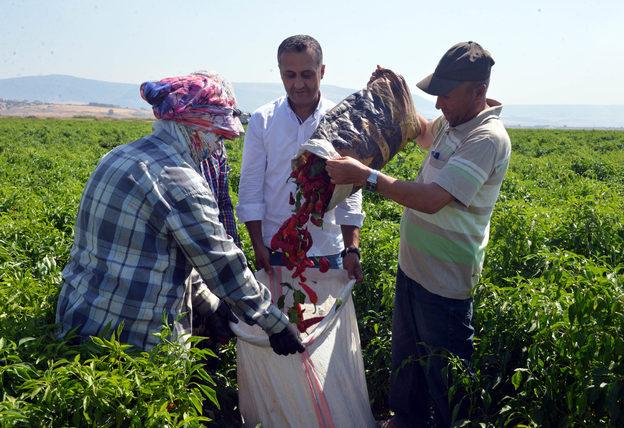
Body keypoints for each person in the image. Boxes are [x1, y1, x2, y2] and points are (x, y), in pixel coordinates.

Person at [326, 41, 512, 427]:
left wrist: (366, 176)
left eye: (446, 94)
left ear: (478, 91)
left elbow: (432, 199)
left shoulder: (487, 138)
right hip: (413, 268)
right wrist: (391, 95)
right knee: (406, 364)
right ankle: (405, 420)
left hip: (445, 283)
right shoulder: (453, 123)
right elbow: (421, 130)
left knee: (447, 379)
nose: (439, 103)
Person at [55, 72, 305, 358]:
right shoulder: (181, 181)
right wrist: (274, 323)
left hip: (80, 322)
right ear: (194, 128)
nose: (217, 147)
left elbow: (166, 253)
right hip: (132, 343)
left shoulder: (118, 156)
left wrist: (209, 306)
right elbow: (221, 263)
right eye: (217, 136)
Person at [237, 35, 365, 281]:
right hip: (275, 245)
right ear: (280, 73)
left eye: (307, 74)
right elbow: (251, 186)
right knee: (279, 317)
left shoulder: (342, 121)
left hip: (326, 248)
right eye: (290, 75)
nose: (298, 84)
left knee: (322, 316)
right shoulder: (263, 120)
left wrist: (352, 247)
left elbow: (351, 189)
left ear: (322, 71)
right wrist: (257, 245)